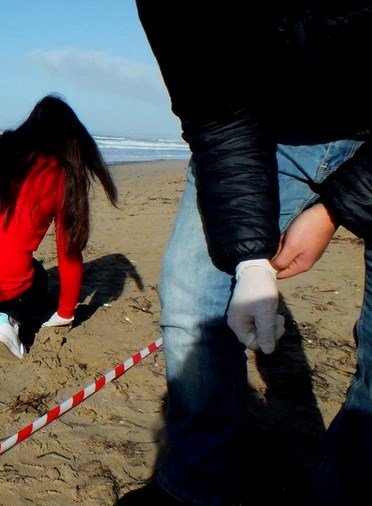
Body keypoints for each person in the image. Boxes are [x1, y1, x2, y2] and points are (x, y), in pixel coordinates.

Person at [127, 2, 372, 504]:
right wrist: (251, 261)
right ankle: (197, 483)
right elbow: (218, 115)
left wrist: (333, 210)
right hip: (263, 132)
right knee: (193, 299)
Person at [0, 95, 118, 359]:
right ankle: (8, 321)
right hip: (1, 287)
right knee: (39, 277)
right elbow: (69, 253)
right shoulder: (58, 175)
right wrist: (65, 313)